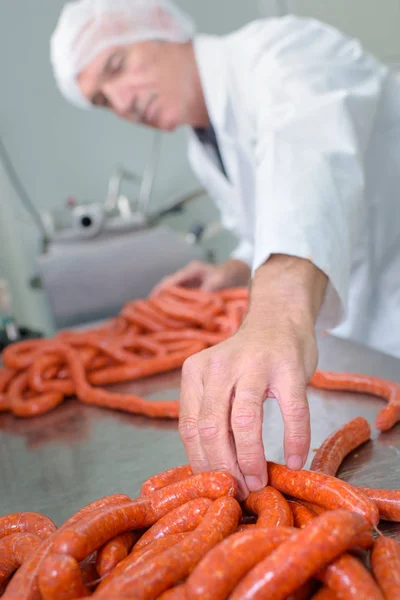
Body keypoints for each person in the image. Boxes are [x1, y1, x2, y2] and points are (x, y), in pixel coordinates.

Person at [50, 0, 400, 499]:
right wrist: (231, 270)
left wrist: (275, 316)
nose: (121, 102)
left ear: (163, 26)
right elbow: (262, 229)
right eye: (103, 100)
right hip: (359, 350)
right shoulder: (203, 141)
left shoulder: (284, 52)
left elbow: (312, 167)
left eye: (116, 67)